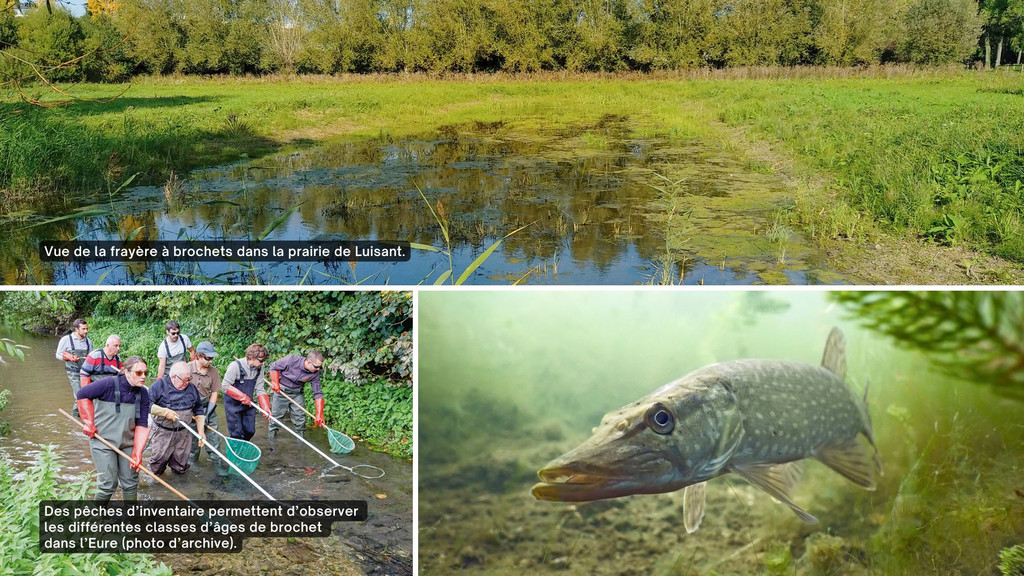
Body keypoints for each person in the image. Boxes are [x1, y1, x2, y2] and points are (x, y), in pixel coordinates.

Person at [76, 356, 151, 503]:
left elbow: (142, 424)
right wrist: (88, 422)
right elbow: (82, 394)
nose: (143, 377)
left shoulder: (143, 393)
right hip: (103, 442)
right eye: (138, 373)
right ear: (127, 372)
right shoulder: (107, 384)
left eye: (145, 373)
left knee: (131, 483)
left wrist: (138, 451)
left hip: (127, 444)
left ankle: (131, 518)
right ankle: (95, 517)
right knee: (108, 484)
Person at [148, 361, 206, 475]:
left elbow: (199, 409)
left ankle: (180, 484)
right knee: (157, 466)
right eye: (184, 380)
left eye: (189, 379)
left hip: (183, 434)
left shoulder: (192, 388)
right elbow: (145, 405)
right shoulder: (158, 386)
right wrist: (164, 412)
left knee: (181, 466)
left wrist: (201, 432)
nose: (187, 383)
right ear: (173, 377)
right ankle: (155, 487)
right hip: (163, 433)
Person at [268, 350, 326, 439]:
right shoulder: (291, 360)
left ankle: (301, 441)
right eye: (316, 367)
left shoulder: (315, 373)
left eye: (319, 367)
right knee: (276, 417)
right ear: (308, 362)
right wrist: (275, 383)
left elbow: (317, 393)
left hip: (297, 394)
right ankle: (271, 439)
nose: (318, 369)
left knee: (300, 419)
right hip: (281, 392)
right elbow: (274, 367)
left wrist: (319, 413)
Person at [222, 343, 271, 441]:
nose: (263, 363)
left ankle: (244, 448)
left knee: (250, 431)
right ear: (252, 358)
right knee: (236, 434)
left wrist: (265, 407)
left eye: (264, 360)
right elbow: (224, 386)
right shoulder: (235, 366)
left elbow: (260, 389)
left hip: (248, 405)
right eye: (261, 360)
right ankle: (236, 452)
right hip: (233, 406)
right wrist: (242, 396)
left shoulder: (259, 369)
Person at [187, 341, 223, 470]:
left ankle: (217, 465)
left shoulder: (214, 372)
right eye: (208, 358)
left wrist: (208, 414)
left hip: (207, 407)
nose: (211, 361)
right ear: (199, 355)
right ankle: (192, 465)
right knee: (191, 441)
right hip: (189, 409)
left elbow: (214, 393)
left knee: (213, 438)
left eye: (212, 358)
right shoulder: (187, 369)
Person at [55, 318, 91, 417]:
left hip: (86, 373)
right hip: (73, 373)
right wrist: (69, 358)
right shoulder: (65, 340)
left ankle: (78, 417)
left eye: (87, 328)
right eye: (83, 329)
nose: (86, 331)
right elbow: (58, 355)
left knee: (87, 395)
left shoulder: (89, 342)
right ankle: (76, 417)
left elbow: (90, 358)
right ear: (76, 329)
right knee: (79, 394)